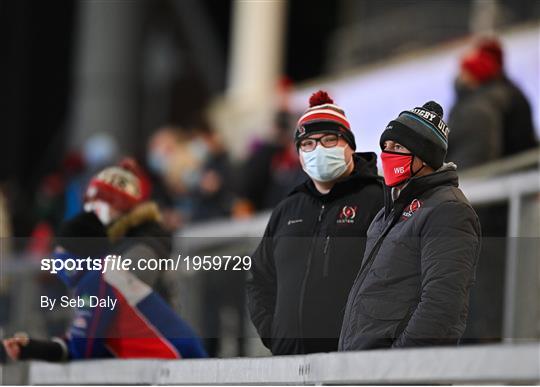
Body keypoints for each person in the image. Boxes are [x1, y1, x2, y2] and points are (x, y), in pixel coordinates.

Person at [3, 161, 208, 360]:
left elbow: (97, 328)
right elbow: (87, 334)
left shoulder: (139, 248)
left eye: (98, 203)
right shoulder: (106, 253)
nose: (91, 210)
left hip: (160, 353)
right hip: (143, 351)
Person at [247, 90, 384, 355]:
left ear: (349, 145)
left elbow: (397, 279)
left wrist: (369, 341)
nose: (318, 149)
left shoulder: (378, 200)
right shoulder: (288, 208)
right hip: (291, 365)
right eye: (307, 143)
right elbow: (260, 278)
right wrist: (274, 334)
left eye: (329, 140)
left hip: (353, 365)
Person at [339, 101, 481, 350]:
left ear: (424, 155)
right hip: (363, 370)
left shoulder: (448, 210)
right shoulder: (388, 212)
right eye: (385, 146)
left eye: (398, 146)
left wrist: (397, 365)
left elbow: (442, 305)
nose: (387, 153)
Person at [447, 37, 538, 169]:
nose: (460, 75)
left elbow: (472, 158)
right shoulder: (506, 93)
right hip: (517, 173)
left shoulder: (477, 107)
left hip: (506, 178)